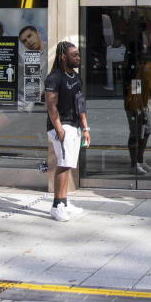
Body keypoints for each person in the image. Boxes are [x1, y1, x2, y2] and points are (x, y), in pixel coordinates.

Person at [44, 41, 90, 222]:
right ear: (63, 56)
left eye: (78, 54)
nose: (78, 58)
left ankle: (64, 201)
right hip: (61, 126)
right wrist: (59, 128)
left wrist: (85, 127)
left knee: (69, 163)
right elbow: (51, 105)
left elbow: (81, 104)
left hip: (75, 126)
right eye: (74, 55)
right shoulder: (54, 77)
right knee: (63, 164)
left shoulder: (76, 77)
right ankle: (57, 206)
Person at [126, 56, 151, 175]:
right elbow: (136, 92)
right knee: (136, 134)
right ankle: (134, 164)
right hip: (136, 106)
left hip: (145, 104)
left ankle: (140, 160)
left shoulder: (147, 70)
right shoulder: (137, 73)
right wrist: (141, 108)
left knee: (147, 130)